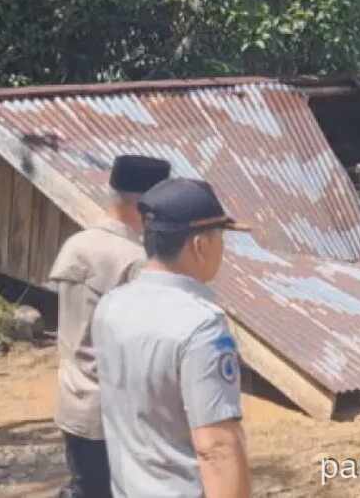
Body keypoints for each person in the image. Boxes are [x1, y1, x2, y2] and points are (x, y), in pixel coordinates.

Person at [93, 178, 251, 498]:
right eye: (220, 237)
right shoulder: (201, 327)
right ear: (200, 245)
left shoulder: (111, 305)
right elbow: (216, 447)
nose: (222, 248)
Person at [51, 155, 171, 498]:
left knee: (86, 486)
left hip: (74, 400)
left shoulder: (77, 243)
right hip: (118, 413)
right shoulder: (135, 261)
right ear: (146, 205)